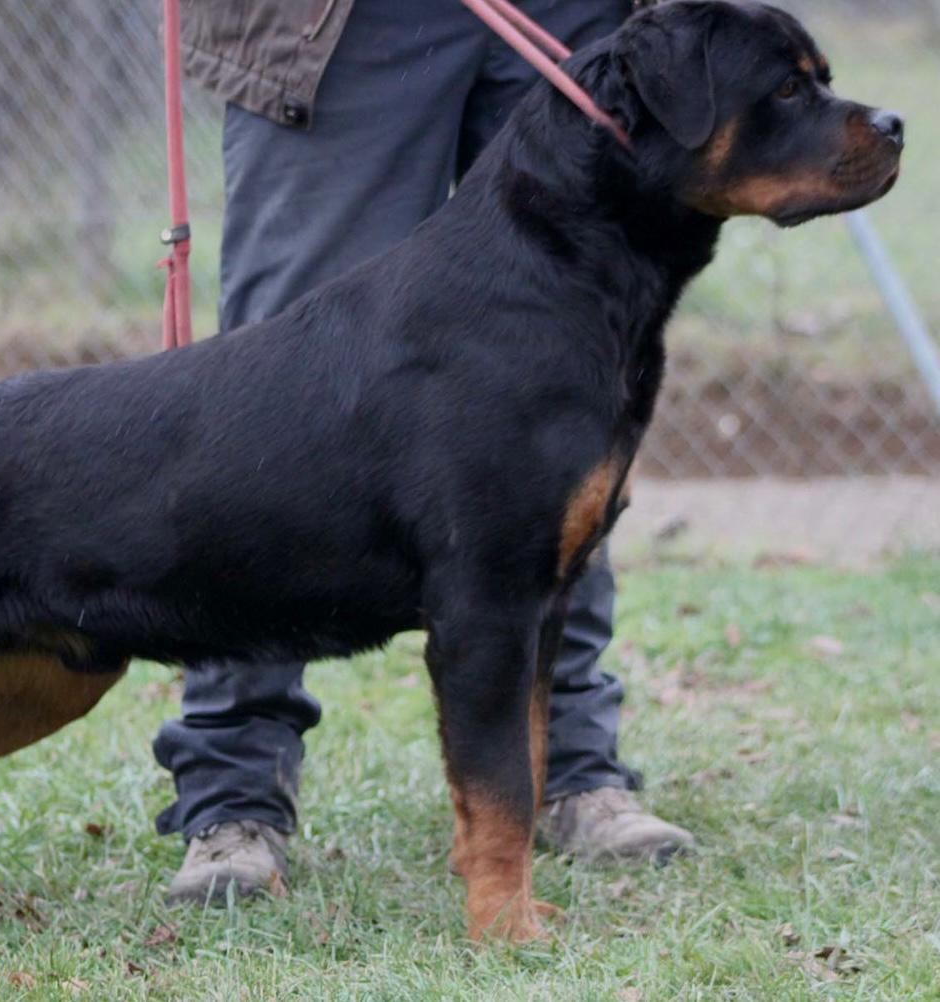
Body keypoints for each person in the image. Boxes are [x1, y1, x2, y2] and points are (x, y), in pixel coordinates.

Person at [153, 0, 693, 903]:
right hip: (334, 22)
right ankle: (234, 795)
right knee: (275, 397)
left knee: (564, 396)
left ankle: (571, 769)